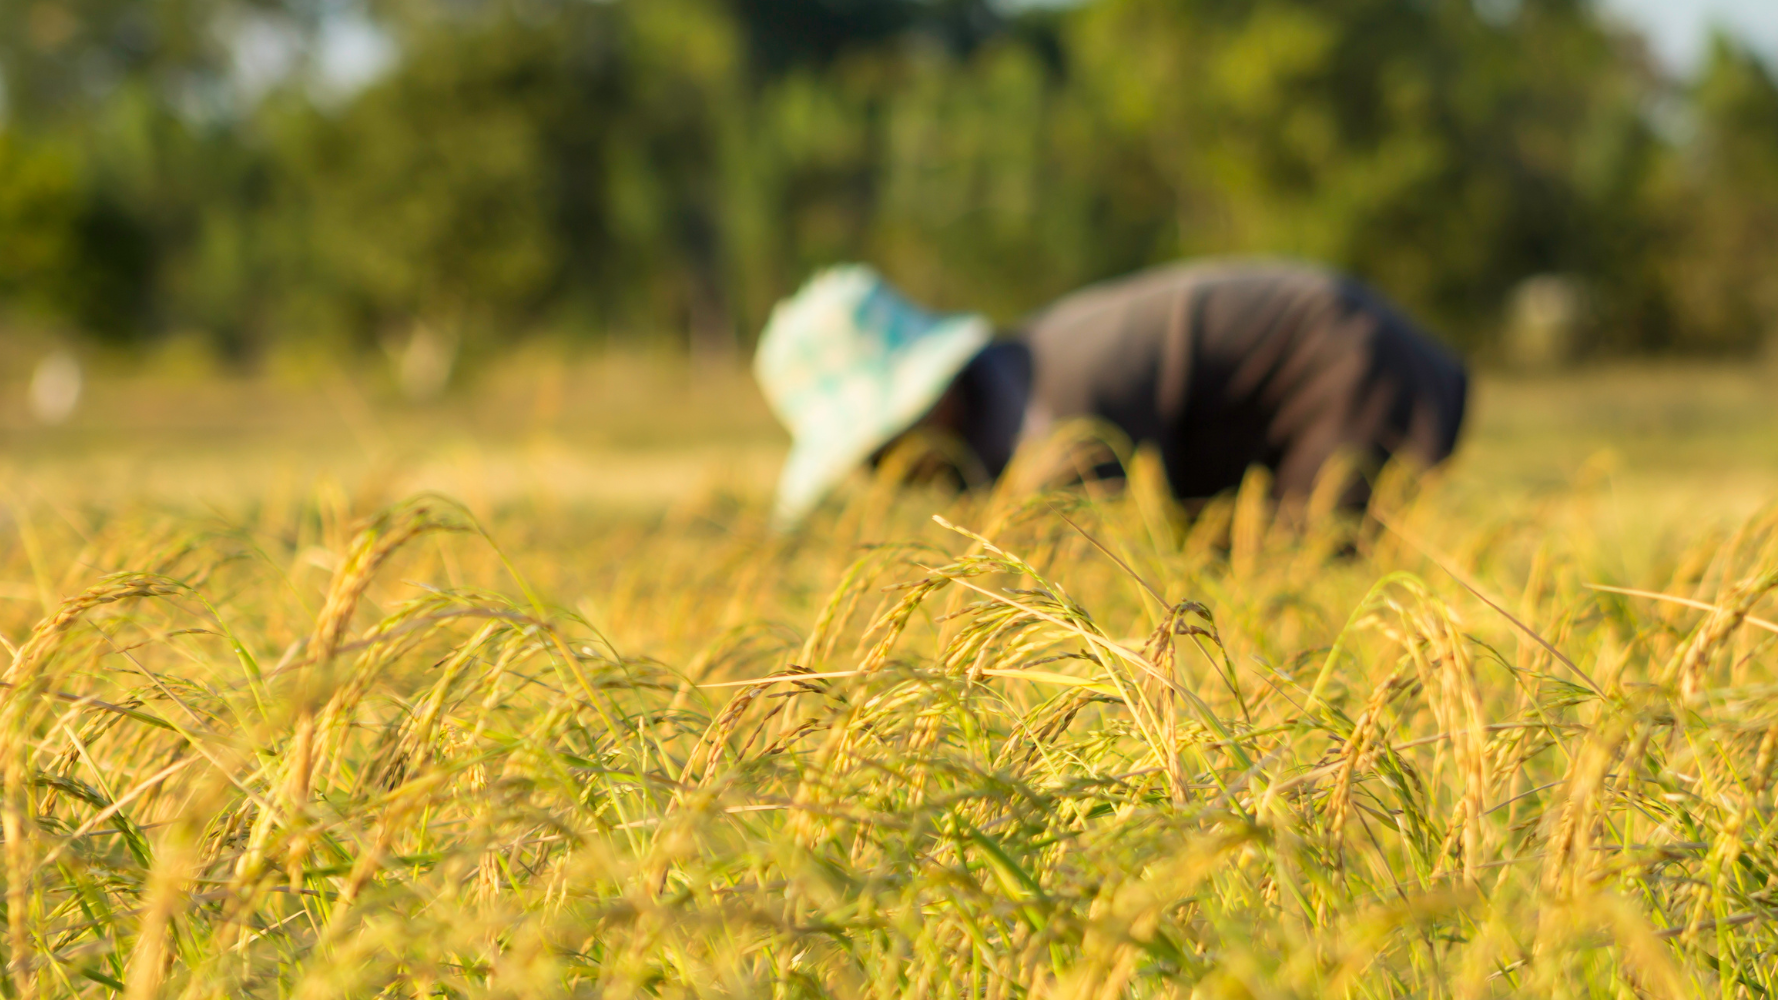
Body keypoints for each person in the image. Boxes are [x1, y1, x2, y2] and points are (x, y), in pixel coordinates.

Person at [753, 259, 1468, 527]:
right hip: (1276, 401)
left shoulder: (1058, 415)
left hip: (1346, 369)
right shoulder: (1016, 387)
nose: (882, 476)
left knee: (1308, 601)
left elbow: (1115, 585)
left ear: (932, 400)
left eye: (882, 450)